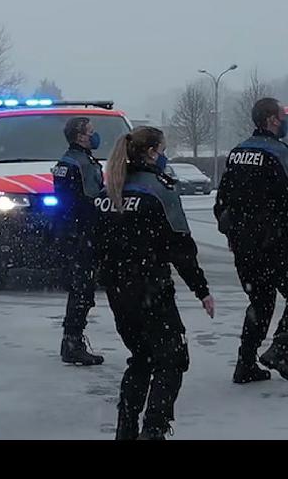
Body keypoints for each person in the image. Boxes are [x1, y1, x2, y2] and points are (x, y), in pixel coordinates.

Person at [95, 126, 215, 440]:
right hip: (152, 289)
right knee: (173, 359)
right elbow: (181, 247)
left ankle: (126, 428)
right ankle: (154, 429)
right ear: (151, 152)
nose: (164, 156)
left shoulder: (107, 193)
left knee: (141, 359)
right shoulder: (160, 190)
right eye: (162, 150)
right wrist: (201, 290)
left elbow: (90, 243)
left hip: (119, 292)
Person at [215, 97, 288, 385]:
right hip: (271, 240)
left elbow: (221, 201)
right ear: (272, 120)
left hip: (244, 244)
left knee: (260, 302)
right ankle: (281, 347)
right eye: (282, 116)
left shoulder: (238, 152)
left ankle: (245, 363)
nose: (285, 120)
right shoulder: (279, 153)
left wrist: (232, 233)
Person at [52, 117, 105, 366]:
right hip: (81, 234)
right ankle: (72, 343)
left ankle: (71, 340)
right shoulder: (78, 163)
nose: (94, 136)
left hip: (73, 232)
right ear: (80, 136)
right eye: (90, 132)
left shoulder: (71, 161)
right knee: (82, 290)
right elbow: (88, 200)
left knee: (81, 289)